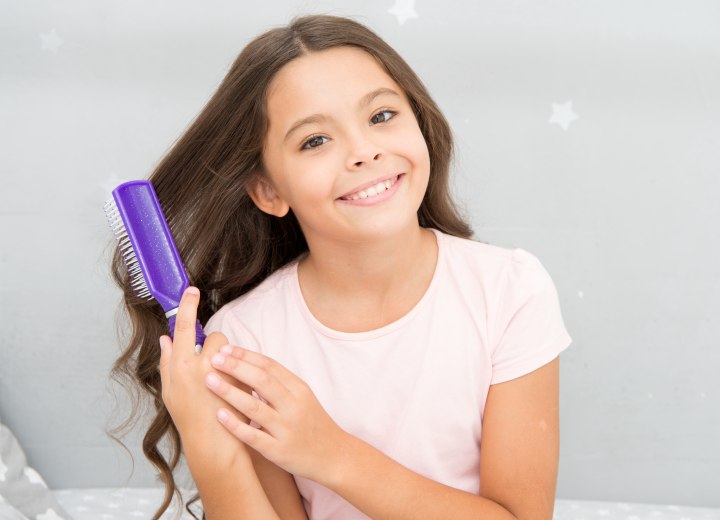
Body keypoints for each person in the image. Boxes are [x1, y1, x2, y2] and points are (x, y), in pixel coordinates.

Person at [111, 14, 572, 520]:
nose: (364, 151)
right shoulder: (244, 341)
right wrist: (209, 445)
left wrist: (330, 453)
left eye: (380, 116)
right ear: (268, 190)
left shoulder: (508, 292)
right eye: (314, 141)